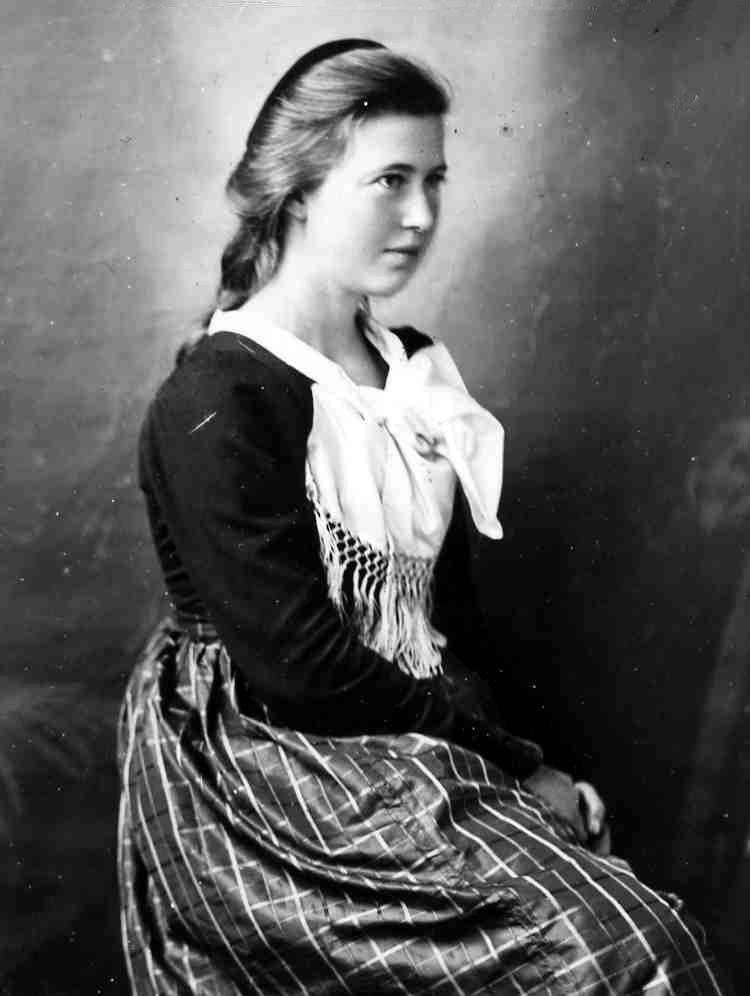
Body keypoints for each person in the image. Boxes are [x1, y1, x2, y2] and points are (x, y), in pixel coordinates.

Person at [117, 38, 730, 994]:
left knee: (633, 927)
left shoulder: (411, 368)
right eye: (390, 181)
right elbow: (301, 670)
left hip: (413, 728)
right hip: (273, 770)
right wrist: (516, 765)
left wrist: (553, 765)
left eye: (434, 180)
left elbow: (451, 621)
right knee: (612, 953)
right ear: (300, 190)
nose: (421, 215)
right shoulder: (218, 398)